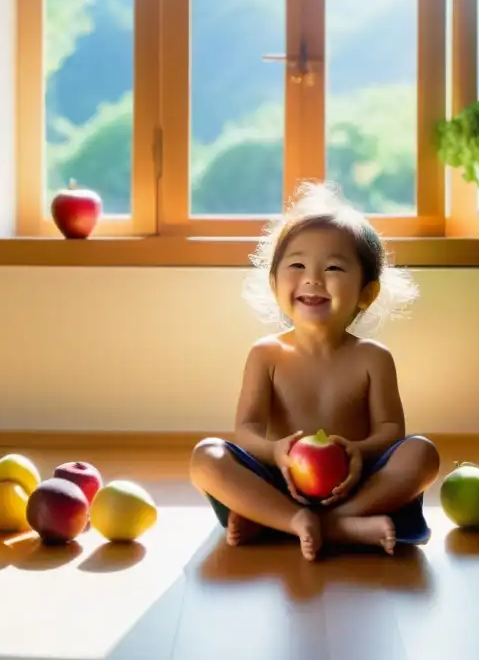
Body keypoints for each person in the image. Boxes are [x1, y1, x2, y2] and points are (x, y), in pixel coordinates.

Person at [189, 181, 441, 561]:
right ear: (275, 285)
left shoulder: (374, 358)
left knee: (423, 454)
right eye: (297, 265)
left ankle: (317, 522)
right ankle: (297, 518)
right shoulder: (266, 354)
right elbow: (247, 431)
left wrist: (358, 452)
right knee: (206, 457)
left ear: (366, 293)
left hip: (355, 484)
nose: (313, 278)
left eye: (334, 267)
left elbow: (391, 432)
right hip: (282, 481)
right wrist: (277, 451)